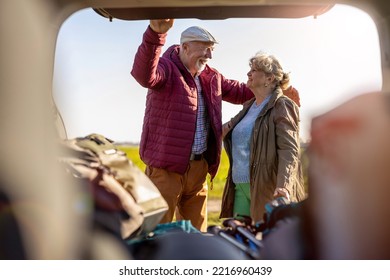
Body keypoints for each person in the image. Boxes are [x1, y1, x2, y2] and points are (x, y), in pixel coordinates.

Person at [130, 19, 254, 232]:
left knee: (197, 235)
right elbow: (144, 75)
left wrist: (275, 87)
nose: (210, 55)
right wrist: (155, 35)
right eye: (205, 49)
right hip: (165, 170)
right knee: (157, 235)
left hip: (198, 171)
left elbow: (243, 92)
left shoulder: (212, 76)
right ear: (185, 47)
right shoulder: (166, 69)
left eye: (212, 50)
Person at [220, 52, 306, 223]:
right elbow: (223, 131)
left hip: (267, 187)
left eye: (254, 70)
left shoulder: (283, 105)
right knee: (241, 238)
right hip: (239, 186)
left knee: (265, 240)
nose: (248, 73)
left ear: (269, 78)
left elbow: (289, 150)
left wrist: (284, 185)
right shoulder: (248, 107)